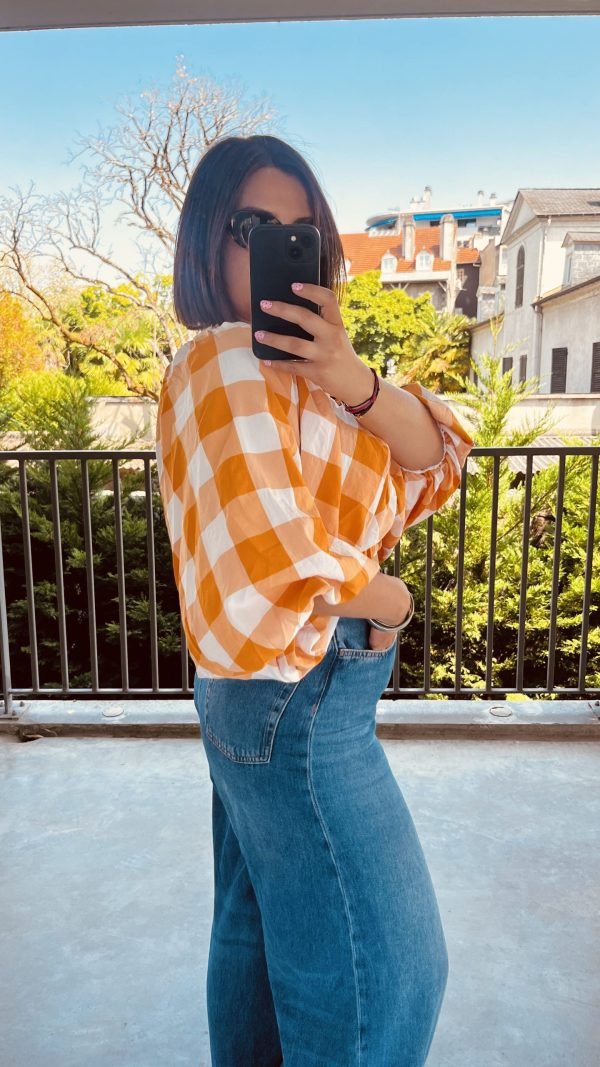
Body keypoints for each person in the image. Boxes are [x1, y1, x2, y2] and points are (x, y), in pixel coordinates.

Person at [155, 134, 475, 1066]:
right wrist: (391, 599)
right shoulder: (225, 359)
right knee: (393, 972)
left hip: (258, 689)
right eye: (252, 226)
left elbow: (437, 454)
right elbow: (274, 562)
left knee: (257, 929)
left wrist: (350, 378)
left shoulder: (307, 379)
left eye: (302, 232)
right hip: (303, 693)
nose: (278, 248)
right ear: (207, 240)